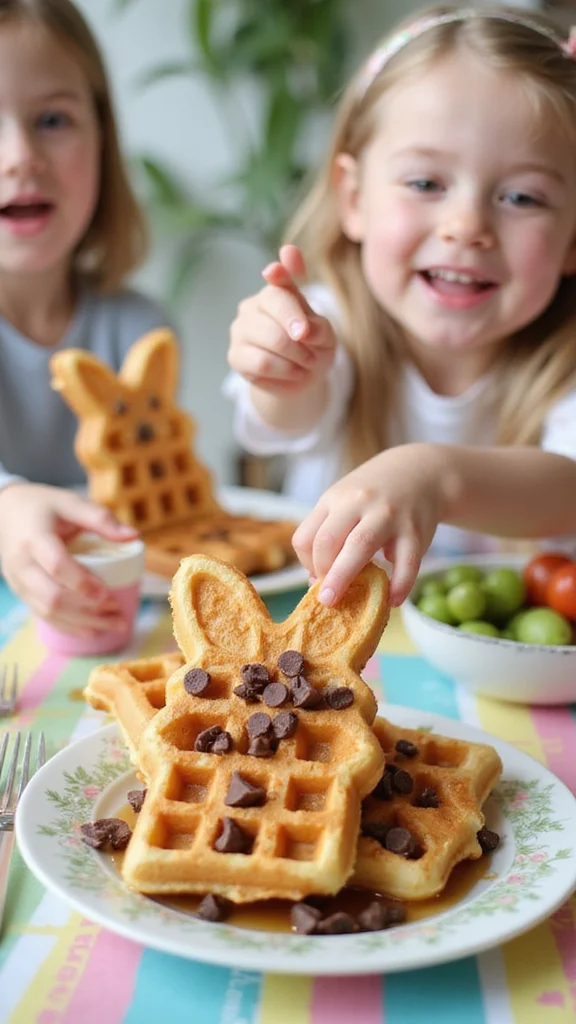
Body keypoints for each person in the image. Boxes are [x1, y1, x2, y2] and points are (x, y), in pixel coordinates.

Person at [226, 5, 576, 608]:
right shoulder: (329, 323)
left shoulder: (564, 361)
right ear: (354, 197)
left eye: (521, 196)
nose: (467, 226)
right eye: (425, 184)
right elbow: (285, 420)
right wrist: (279, 370)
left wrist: (435, 476)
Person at [0, 0, 172, 637]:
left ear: (103, 139)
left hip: (124, 628)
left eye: (52, 119)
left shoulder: (141, 333)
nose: (21, 155)